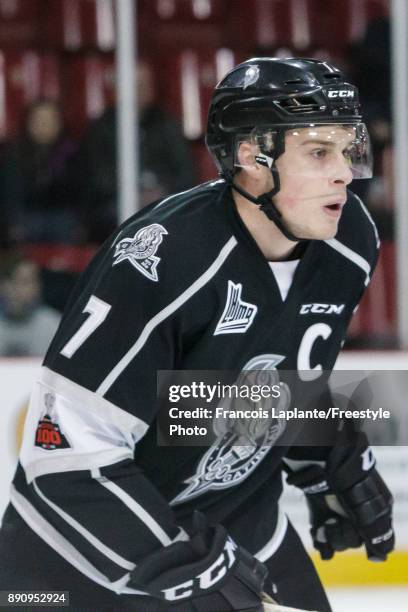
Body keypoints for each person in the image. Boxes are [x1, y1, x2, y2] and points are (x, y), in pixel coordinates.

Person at [0, 58, 394, 611]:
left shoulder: (348, 237)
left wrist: (325, 458)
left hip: (239, 526)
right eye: (319, 152)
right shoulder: (164, 259)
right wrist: (192, 570)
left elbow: (271, 381)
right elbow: (66, 452)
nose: (345, 174)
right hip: (75, 558)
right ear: (253, 160)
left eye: (347, 149)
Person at [75, 60, 196, 243]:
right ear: (119, 89)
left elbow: (185, 172)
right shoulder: (101, 128)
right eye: (135, 85)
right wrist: (131, 193)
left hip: (163, 201)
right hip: (113, 204)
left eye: (145, 85)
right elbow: (96, 177)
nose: (141, 90)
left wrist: (162, 190)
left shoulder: (167, 124)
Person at [1, 99, 81, 245]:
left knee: (65, 224)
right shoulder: (15, 153)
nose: (44, 126)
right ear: (28, 123)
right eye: (38, 120)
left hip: (63, 217)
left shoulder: (72, 152)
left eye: (50, 121)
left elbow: (81, 193)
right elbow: (10, 194)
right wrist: (13, 222)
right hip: (27, 217)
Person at [0, 252, 60, 357]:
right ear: (2, 285)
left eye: (25, 282)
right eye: (12, 281)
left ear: (38, 287)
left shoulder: (54, 324)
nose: (18, 289)